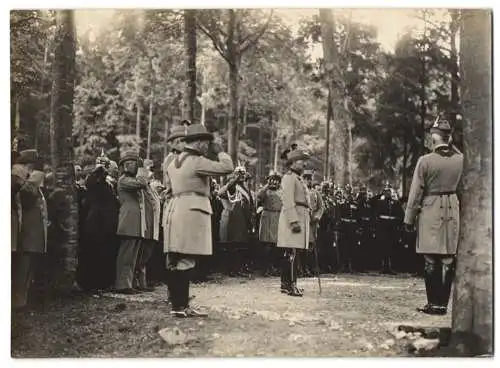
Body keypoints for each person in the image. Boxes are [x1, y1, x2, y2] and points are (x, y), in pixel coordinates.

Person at [163, 124, 233, 317]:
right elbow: (227, 168)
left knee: (177, 258)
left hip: (175, 208)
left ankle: (179, 304)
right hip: (192, 209)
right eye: (207, 143)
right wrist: (220, 152)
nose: (208, 147)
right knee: (187, 258)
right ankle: (180, 306)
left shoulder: (174, 162)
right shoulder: (197, 161)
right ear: (201, 142)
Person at [404, 119, 464, 315]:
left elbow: (415, 193)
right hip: (453, 208)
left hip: (431, 209)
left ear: (434, 137)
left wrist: (409, 219)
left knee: (431, 257)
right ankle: (443, 305)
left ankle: (433, 304)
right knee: (448, 257)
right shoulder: (460, 159)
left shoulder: (426, 160)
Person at [12, 149, 48, 309]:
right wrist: (32, 180)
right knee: (23, 268)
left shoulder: (32, 186)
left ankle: (23, 299)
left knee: (28, 269)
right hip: (27, 233)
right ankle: (18, 300)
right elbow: (27, 196)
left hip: (34, 234)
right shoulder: (25, 186)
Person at [277, 148, 311, 297]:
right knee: (291, 253)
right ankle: (290, 285)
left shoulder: (298, 178)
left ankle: (287, 284)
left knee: (293, 253)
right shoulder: (289, 178)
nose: (304, 164)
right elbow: (287, 200)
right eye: (301, 161)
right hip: (293, 218)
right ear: (293, 163)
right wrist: (293, 221)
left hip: (300, 216)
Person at [115, 150, 148, 295]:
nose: (133, 166)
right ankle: (122, 284)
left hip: (134, 222)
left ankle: (128, 283)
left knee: (132, 255)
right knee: (126, 255)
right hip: (128, 222)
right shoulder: (124, 180)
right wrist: (142, 169)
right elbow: (142, 182)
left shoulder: (130, 179)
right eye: (131, 164)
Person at [255, 172, 283, 275]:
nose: (274, 182)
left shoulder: (282, 191)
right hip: (266, 218)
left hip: (277, 218)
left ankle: (273, 267)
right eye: (272, 179)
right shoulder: (265, 191)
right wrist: (266, 186)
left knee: (276, 245)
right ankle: (265, 268)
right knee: (266, 245)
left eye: (276, 180)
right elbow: (258, 197)